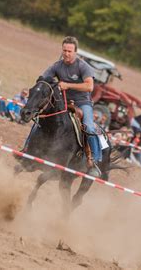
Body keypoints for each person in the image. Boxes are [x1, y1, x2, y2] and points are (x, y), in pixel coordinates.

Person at [39, 36, 102, 177]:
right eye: (64, 50)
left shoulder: (83, 66)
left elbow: (89, 86)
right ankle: (27, 148)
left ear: (75, 52)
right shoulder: (57, 66)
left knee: (89, 126)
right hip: (62, 101)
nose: (66, 53)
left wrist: (68, 85)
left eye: (69, 51)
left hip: (82, 103)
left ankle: (94, 161)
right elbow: (44, 78)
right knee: (41, 116)